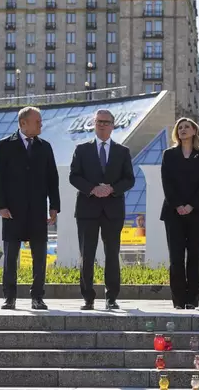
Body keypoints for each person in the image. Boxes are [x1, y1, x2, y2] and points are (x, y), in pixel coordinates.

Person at [0, 106, 60, 310]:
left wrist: (54, 206)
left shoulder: (45, 147)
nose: (41, 124)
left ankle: (37, 296)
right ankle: (9, 296)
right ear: (23, 123)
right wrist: (0, 206)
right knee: (11, 256)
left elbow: (52, 179)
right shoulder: (5, 145)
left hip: (38, 209)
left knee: (39, 257)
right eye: (37, 121)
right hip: (12, 210)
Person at [69, 109, 135, 310]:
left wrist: (112, 189)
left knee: (112, 254)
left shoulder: (122, 151)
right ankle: (88, 297)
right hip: (87, 210)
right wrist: (93, 189)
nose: (102, 125)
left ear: (113, 125)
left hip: (113, 210)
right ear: (94, 124)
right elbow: (74, 176)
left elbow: (129, 179)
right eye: (99, 122)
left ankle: (111, 297)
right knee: (86, 255)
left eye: (106, 122)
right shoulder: (82, 149)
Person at [160, 117, 199, 310]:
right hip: (173, 213)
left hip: (197, 212)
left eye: (186, 127)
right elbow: (167, 182)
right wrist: (178, 205)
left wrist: (191, 205)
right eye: (179, 127)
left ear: (194, 131)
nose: (182, 130)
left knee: (194, 257)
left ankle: (192, 300)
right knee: (176, 258)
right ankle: (178, 300)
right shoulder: (168, 155)